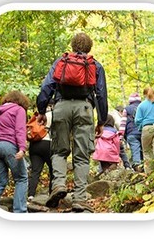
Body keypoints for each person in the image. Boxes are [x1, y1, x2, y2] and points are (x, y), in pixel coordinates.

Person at [36, 32, 108, 213]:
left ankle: (59, 185)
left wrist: (42, 110)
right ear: (89, 47)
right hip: (84, 109)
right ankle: (80, 198)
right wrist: (102, 120)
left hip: (61, 108)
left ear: (73, 45)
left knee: (59, 151)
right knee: (82, 155)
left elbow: (46, 87)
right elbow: (101, 94)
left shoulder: (61, 61)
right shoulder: (95, 65)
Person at [0, 90, 30, 213]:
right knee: (21, 178)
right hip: (8, 146)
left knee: (0, 181)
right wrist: (22, 148)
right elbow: (20, 130)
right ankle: (20, 212)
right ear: (21, 101)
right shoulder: (19, 110)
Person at [27, 101, 54, 202]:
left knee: (35, 171)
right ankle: (51, 194)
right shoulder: (54, 114)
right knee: (53, 170)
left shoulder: (38, 115)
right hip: (48, 144)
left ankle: (31, 195)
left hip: (35, 145)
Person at [119, 93, 143, 172]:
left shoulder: (127, 109)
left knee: (135, 150)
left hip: (131, 133)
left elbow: (123, 123)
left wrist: (120, 136)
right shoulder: (143, 107)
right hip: (143, 132)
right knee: (144, 150)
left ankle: (137, 166)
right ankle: (146, 167)